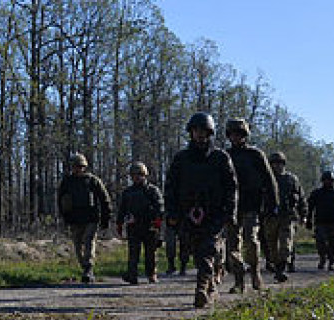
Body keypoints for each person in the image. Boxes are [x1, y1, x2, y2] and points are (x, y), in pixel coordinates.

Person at [164, 112, 238, 308]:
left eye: (204, 131)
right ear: (191, 132)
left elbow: (231, 187)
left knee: (207, 249)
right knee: (197, 251)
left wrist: (230, 213)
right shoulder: (181, 159)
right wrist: (171, 213)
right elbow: (170, 187)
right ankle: (211, 284)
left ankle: (201, 289)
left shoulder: (220, 158)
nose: (200, 135)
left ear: (210, 133)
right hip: (187, 213)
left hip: (214, 213)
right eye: (196, 131)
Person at [223, 118, 278, 293]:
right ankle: (239, 280)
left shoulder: (255, 155)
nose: (236, 137)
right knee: (232, 245)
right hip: (231, 207)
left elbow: (269, 180)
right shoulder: (224, 156)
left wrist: (273, 203)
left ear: (245, 135)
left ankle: (255, 272)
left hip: (251, 205)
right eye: (232, 134)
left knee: (252, 241)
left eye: (239, 134)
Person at [56, 152, 111, 283]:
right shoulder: (67, 182)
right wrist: (64, 216)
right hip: (74, 218)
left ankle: (88, 268)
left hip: (91, 218)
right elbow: (60, 200)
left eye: (80, 166)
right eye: (75, 166)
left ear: (84, 167)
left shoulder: (92, 181)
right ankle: (85, 267)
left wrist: (105, 219)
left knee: (89, 241)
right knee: (77, 246)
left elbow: (105, 200)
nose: (78, 169)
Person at [116, 162, 164, 284]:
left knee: (150, 253)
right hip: (133, 226)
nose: (137, 177)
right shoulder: (127, 192)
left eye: (140, 174)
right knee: (133, 253)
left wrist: (157, 223)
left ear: (145, 175)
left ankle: (151, 274)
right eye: (134, 175)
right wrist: (119, 224)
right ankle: (132, 275)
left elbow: (160, 207)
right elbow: (122, 209)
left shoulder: (153, 190)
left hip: (150, 226)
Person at [262, 151, 307, 283]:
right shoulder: (265, 180)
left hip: (287, 216)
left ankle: (282, 268)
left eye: (280, 163)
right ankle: (277, 266)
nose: (277, 166)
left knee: (285, 243)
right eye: (274, 164)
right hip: (270, 217)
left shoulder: (291, 179)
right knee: (271, 246)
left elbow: (301, 198)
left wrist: (303, 214)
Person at [306, 170, 334, 271]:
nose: (328, 182)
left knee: (333, 243)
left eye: (330, 180)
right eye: (326, 180)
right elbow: (309, 207)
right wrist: (308, 219)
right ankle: (322, 258)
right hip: (320, 222)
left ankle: (331, 261)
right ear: (323, 181)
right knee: (320, 243)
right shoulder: (317, 193)